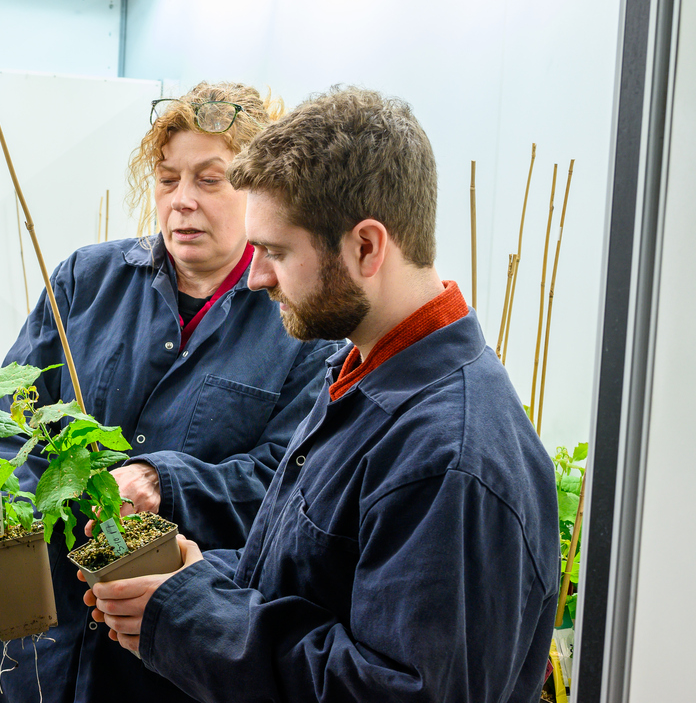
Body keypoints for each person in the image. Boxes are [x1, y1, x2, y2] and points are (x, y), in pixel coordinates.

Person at [85, 86, 560, 702]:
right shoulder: (359, 376)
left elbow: (389, 691)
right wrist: (193, 575)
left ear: (366, 246)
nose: (256, 277)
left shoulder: (448, 457)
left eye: (276, 252)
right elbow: (305, 586)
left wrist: (186, 615)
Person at [0, 83, 340, 702]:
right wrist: (5, 530)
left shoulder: (303, 323)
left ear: (261, 189)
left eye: (211, 179)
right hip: (42, 641)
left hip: (168, 658)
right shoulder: (86, 281)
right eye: (168, 179)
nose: (181, 202)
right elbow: (10, 419)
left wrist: (161, 480)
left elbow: (290, 485)